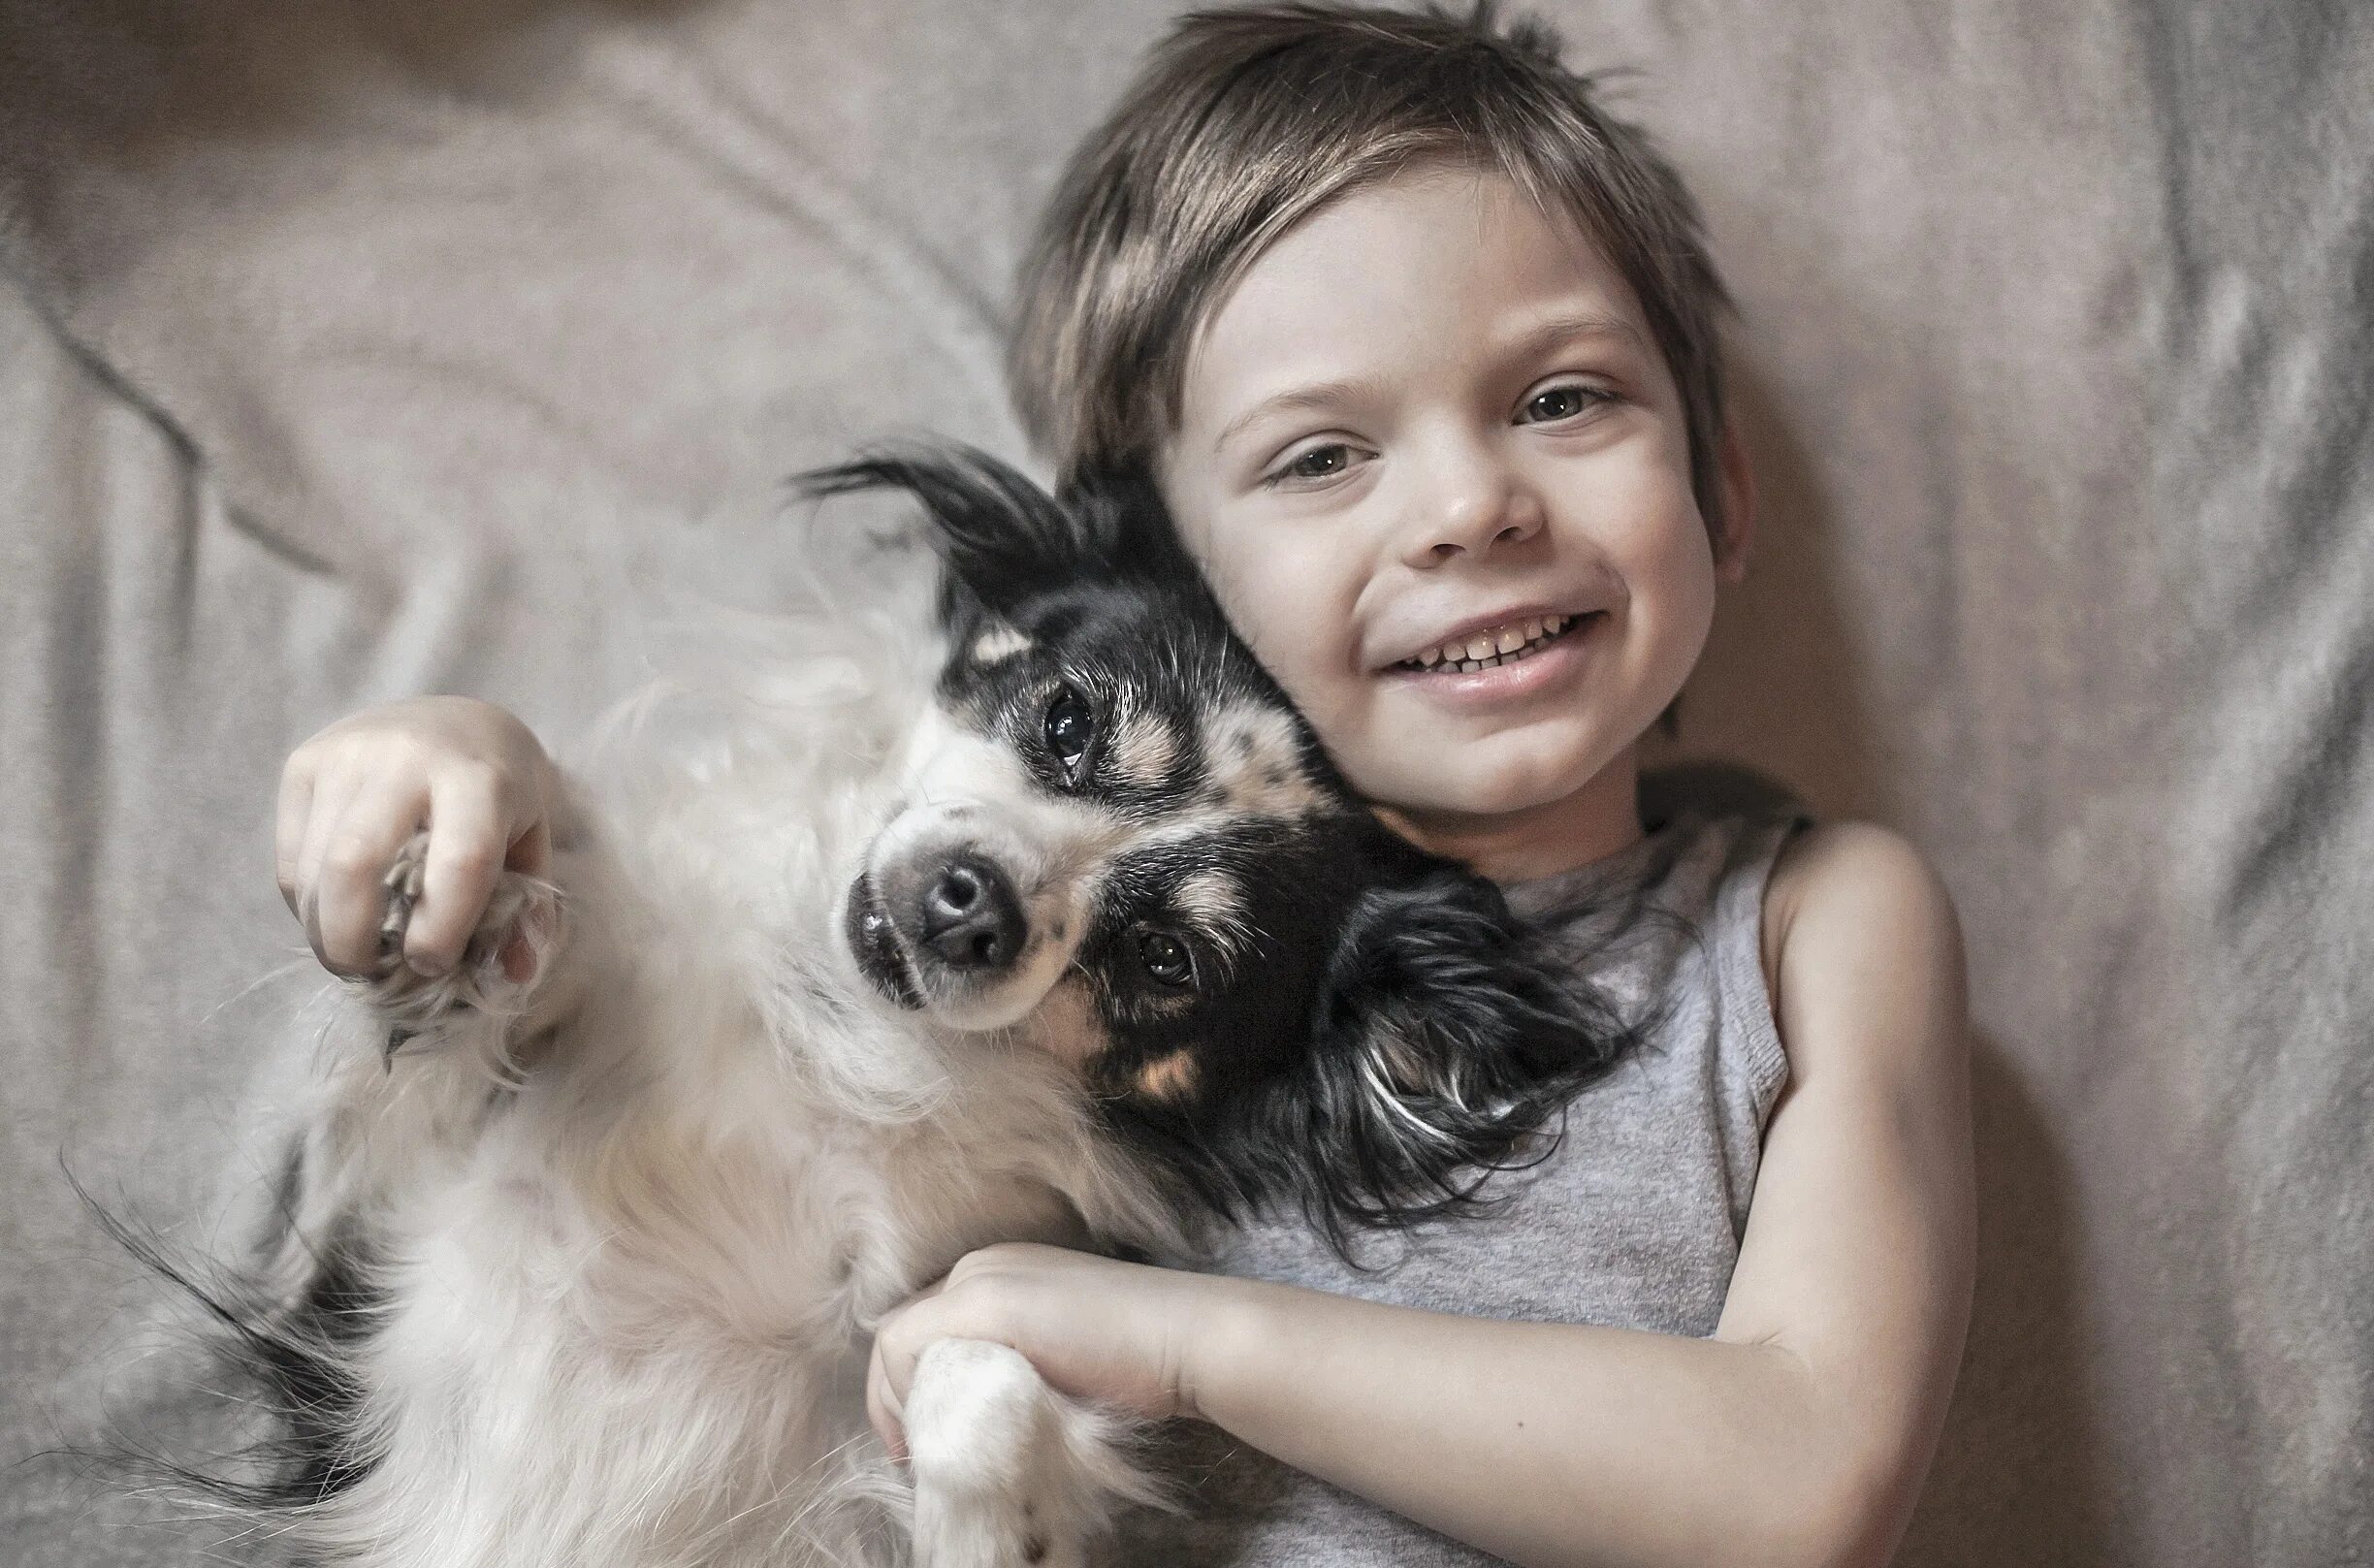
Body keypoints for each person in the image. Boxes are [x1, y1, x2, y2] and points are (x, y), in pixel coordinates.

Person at [273, 6, 1973, 1565]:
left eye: (1561, 397)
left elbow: (1803, 1480)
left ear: (1723, 493)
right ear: (1173, 550)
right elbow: (688, 1067)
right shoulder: (1071, 1020)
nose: (1470, 504)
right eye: (1323, 453)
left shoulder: (1815, 916)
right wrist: (480, 776)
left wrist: (1175, 1342)